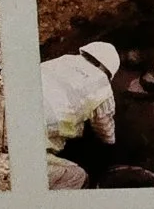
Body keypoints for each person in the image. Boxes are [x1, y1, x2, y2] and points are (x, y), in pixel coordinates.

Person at [41, 39, 121, 189]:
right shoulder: (103, 87)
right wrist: (112, 147)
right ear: (107, 71)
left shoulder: (62, 60)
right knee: (78, 177)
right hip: (34, 142)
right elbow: (105, 130)